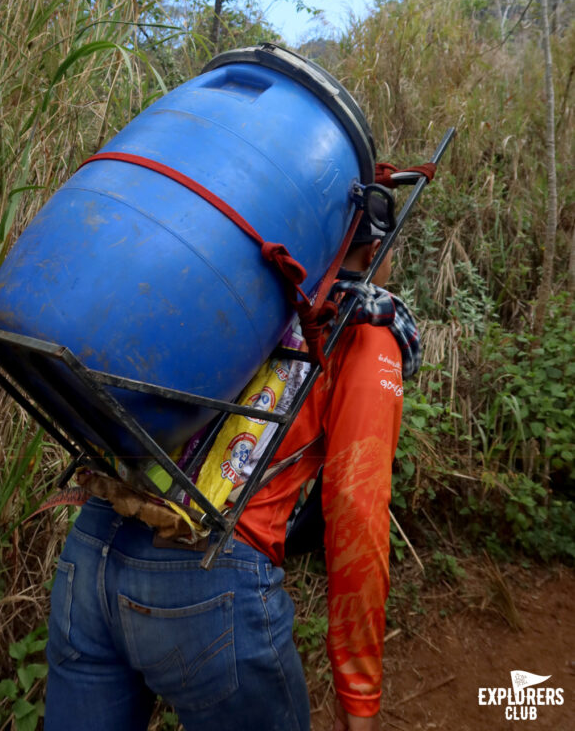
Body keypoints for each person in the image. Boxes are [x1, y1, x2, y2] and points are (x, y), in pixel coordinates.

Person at [44, 209, 419, 731]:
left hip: (91, 546)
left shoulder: (235, 284)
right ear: (372, 247)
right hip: (207, 572)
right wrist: (359, 698)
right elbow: (357, 510)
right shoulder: (364, 329)